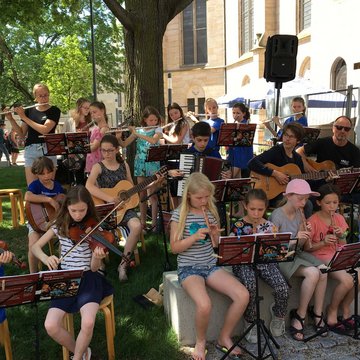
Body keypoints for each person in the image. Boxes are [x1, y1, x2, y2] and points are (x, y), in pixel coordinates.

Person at [170, 172, 249, 360]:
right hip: (189, 267)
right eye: (199, 198)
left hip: (210, 264)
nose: (204, 201)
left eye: (207, 197)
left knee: (243, 295)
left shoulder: (212, 213)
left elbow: (216, 245)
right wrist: (194, 237)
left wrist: (215, 235)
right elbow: (174, 248)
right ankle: (200, 341)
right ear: (188, 195)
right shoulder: (178, 215)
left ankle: (224, 336)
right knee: (204, 304)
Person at [31, 185, 113, 360]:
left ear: (88, 207)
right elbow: (35, 247)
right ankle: (83, 352)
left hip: (89, 277)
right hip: (65, 277)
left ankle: (76, 358)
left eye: (82, 210)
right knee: (51, 325)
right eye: (73, 210)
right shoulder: (59, 225)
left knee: (88, 321)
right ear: (66, 207)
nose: (78, 215)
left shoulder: (93, 226)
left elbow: (93, 268)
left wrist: (97, 257)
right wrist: (46, 258)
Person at [269, 179, 328, 341]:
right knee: (313, 273)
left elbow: (301, 246)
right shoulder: (277, 215)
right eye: (300, 199)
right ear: (288, 196)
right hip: (282, 257)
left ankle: (317, 313)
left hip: (296, 254)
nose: (303, 203)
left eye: (306, 199)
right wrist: (295, 238)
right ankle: (299, 316)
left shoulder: (299, 213)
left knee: (324, 270)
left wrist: (303, 234)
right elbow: (274, 247)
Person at [230, 189, 289, 343]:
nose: (256, 214)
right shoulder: (238, 225)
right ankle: (250, 321)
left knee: (282, 287)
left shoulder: (270, 226)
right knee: (250, 285)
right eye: (252, 209)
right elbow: (230, 250)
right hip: (244, 264)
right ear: (245, 206)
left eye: (260, 210)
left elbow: (278, 251)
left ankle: (278, 315)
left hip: (265, 263)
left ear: (266, 208)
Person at [86, 134, 142, 282]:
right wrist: (110, 199)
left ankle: (123, 264)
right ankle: (100, 263)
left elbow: (131, 187)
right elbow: (89, 186)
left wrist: (150, 183)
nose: (106, 154)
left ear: (117, 150)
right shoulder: (98, 166)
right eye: (103, 151)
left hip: (124, 208)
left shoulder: (124, 165)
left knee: (137, 226)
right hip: (105, 209)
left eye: (110, 150)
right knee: (93, 229)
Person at [305, 184, 355, 334]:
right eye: (328, 203)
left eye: (335, 202)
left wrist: (341, 236)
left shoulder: (339, 218)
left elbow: (343, 244)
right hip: (320, 256)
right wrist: (323, 242)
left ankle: (345, 306)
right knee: (347, 280)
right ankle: (332, 310)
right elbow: (306, 248)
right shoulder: (313, 220)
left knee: (359, 275)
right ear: (319, 203)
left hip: (337, 254)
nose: (332, 206)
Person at [5, 83, 61, 184]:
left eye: (46, 95)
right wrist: (11, 119)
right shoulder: (29, 111)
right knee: (32, 187)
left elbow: (45, 130)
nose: (44, 98)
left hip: (48, 148)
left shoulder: (54, 110)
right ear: (35, 97)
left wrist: (24, 117)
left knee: (49, 186)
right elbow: (22, 134)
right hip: (31, 149)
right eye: (40, 96)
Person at [118, 106, 163, 232]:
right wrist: (118, 137)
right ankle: (143, 223)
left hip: (153, 164)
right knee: (141, 194)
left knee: (153, 195)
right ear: (145, 120)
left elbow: (154, 141)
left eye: (155, 120)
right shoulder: (139, 131)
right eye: (151, 120)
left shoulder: (158, 129)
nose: (153, 123)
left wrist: (136, 133)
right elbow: (124, 144)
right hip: (140, 165)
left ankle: (154, 224)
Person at [248, 122, 306, 208]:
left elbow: (303, 178)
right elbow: (252, 163)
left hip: (288, 193)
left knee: (308, 203)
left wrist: (325, 178)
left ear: (298, 141)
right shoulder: (276, 151)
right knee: (294, 203)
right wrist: (275, 173)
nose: (287, 139)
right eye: (286, 135)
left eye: (291, 137)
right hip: (272, 195)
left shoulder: (297, 158)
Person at [24, 156, 65, 273]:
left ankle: (63, 268)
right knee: (32, 245)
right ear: (36, 174)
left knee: (66, 239)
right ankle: (33, 275)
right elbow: (27, 196)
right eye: (42, 174)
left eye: (49, 172)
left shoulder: (57, 186)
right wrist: (49, 200)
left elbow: (62, 200)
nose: (46, 176)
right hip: (36, 221)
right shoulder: (35, 185)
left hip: (54, 222)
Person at [63, 98, 92, 185]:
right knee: (79, 179)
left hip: (90, 153)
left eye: (89, 108)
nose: (88, 110)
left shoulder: (92, 121)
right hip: (76, 155)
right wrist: (69, 150)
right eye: (85, 108)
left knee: (90, 178)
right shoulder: (70, 122)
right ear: (79, 108)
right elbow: (64, 138)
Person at [226, 102, 253, 178]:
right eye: (233, 113)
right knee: (234, 179)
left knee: (234, 178)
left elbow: (244, 141)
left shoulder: (246, 125)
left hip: (242, 155)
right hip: (235, 155)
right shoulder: (235, 125)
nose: (235, 115)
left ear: (243, 113)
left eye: (238, 113)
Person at [85, 101, 110, 175]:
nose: (92, 115)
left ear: (102, 111)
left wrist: (80, 147)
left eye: (94, 112)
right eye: (91, 113)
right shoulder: (95, 128)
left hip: (98, 162)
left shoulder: (104, 129)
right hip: (92, 161)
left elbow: (94, 147)